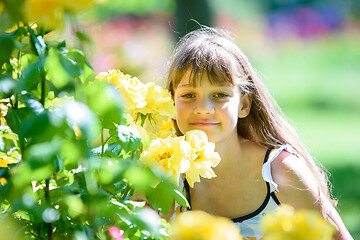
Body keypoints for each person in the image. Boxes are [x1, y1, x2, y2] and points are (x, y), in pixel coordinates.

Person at [165, 26, 353, 240]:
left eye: (219, 94)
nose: (204, 108)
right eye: (189, 95)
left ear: (244, 105)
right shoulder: (165, 175)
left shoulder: (280, 172)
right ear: (171, 101)